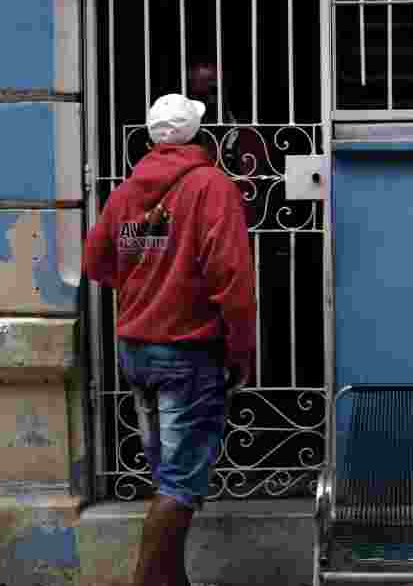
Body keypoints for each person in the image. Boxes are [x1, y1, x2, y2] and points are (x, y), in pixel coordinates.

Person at [82, 93, 257, 586]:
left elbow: (97, 262)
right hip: (187, 351)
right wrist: (242, 349)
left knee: (167, 479)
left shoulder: (127, 191)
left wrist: (146, 278)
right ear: (198, 135)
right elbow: (232, 276)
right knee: (181, 483)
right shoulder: (210, 186)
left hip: (136, 349)